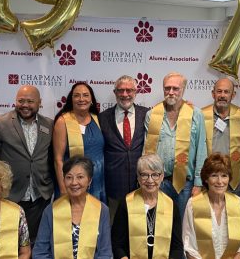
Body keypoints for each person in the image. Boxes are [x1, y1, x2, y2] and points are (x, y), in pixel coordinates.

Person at [0, 85, 54, 245]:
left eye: (30, 101)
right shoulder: (0, 123)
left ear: (39, 103)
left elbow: (50, 157)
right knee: (11, 240)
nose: (25, 105)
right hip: (12, 194)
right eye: (21, 101)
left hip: (40, 195)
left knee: (36, 239)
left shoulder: (49, 124)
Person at [144, 72, 207, 217]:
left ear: (183, 90)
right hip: (157, 182)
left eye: (175, 88)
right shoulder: (152, 115)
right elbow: (146, 151)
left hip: (185, 184)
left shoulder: (196, 114)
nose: (171, 92)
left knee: (183, 228)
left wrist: (198, 184)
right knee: (158, 225)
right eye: (167, 88)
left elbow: (201, 150)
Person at [33, 156, 112, 259]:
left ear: (89, 180)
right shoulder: (51, 211)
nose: (74, 182)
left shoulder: (102, 210)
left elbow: (105, 253)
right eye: (69, 177)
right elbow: (40, 253)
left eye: (80, 177)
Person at [111, 154, 184, 259]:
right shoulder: (126, 203)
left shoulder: (171, 205)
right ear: (138, 177)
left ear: (162, 176)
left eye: (155, 175)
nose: (150, 180)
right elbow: (117, 244)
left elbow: (177, 247)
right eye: (144, 175)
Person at [100, 75, 149, 220]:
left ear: (136, 92)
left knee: (139, 227)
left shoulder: (147, 114)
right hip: (113, 185)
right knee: (115, 228)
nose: (125, 95)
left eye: (129, 90)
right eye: (121, 91)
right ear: (115, 93)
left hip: (141, 183)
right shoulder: (102, 118)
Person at [182, 153, 240, 259]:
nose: (220, 181)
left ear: (229, 178)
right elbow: (189, 247)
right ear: (206, 179)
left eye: (224, 176)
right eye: (214, 176)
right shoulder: (193, 204)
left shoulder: (238, 204)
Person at [53, 82, 106, 203]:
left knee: (95, 218)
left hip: (97, 182)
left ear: (91, 99)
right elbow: (58, 159)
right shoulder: (63, 121)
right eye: (77, 95)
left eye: (86, 95)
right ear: (71, 99)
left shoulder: (97, 119)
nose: (81, 99)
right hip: (73, 184)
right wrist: (63, 189)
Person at [201, 78, 240, 196]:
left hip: (232, 182)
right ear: (213, 93)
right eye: (219, 91)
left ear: (233, 95)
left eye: (226, 92)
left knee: (233, 214)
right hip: (207, 180)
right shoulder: (201, 115)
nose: (222, 95)